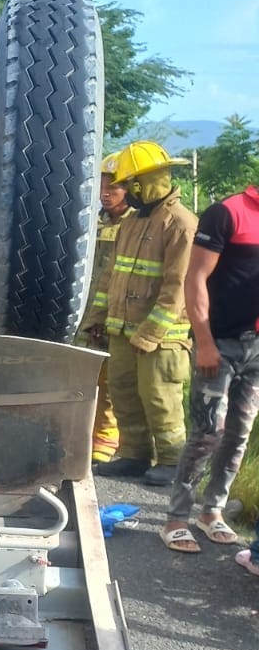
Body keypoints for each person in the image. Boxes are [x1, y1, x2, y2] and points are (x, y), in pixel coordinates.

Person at [88, 141, 197, 487]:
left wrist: (150, 334)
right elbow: (111, 277)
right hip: (122, 332)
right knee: (123, 394)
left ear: (140, 183)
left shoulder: (180, 224)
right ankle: (134, 456)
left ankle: (172, 461)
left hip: (161, 340)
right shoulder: (133, 223)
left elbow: (177, 287)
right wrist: (96, 319)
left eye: (124, 183)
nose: (118, 191)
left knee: (160, 399)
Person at [160, 181, 259, 551]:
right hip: (218, 344)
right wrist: (203, 341)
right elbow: (195, 277)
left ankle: (212, 511)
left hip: (257, 348)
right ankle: (176, 519)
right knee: (207, 434)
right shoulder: (228, 213)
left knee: (238, 434)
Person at [78, 154, 132, 461]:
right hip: (89, 315)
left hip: (119, 315)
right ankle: (85, 437)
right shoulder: (91, 223)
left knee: (113, 381)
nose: (106, 192)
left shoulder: (135, 228)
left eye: (114, 186)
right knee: (87, 376)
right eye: (102, 185)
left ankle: (106, 442)